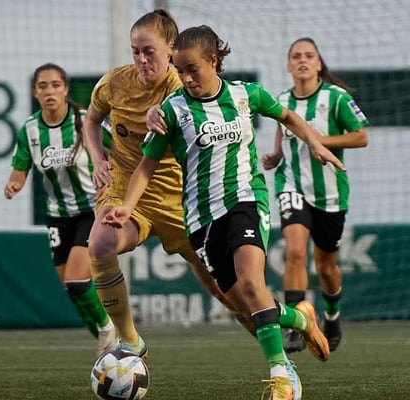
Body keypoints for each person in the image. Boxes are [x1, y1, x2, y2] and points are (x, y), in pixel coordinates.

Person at [103, 25, 344, 399]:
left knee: (252, 282)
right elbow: (146, 166)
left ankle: (282, 376)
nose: (186, 78)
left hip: (246, 201)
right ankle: (300, 317)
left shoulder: (246, 95)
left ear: (213, 60)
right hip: (201, 219)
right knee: (244, 305)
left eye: (192, 69)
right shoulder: (173, 110)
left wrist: (315, 142)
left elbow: (287, 116)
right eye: (180, 71)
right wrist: (126, 207)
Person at [83, 8, 249, 362]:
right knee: (100, 244)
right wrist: (98, 159)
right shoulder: (113, 83)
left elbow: (194, 109)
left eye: (149, 51)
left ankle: (277, 352)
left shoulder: (183, 87)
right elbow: (92, 120)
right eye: (135, 51)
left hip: (181, 201)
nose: (142, 60)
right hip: (127, 193)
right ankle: (130, 341)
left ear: (171, 50)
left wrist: (165, 111)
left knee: (225, 291)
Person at [262, 37, 369, 354]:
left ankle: (332, 317)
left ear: (319, 64)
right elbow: (283, 134)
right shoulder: (283, 100)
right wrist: (275, 156)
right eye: (296, 56)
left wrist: (321, 141)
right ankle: (296, 326)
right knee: (295, 252)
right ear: (288, 65)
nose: (302, 60)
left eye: (309, 55)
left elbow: (361, 136)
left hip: (330, 193)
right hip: (291, 185)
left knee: (326, 268)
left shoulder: (336, 98)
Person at [3, 63, 117, 357]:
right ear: (35, 92)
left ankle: (110, 329)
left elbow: (120, 150)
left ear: (66, 89)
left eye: (55, 85)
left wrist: (114, 178)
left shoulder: (86, 121)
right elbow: (19, 171)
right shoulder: (29, 130)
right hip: (57, 216)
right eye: (43, 86)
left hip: (91, 210)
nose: (49, 91)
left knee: (77, 280)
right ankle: (110, 352)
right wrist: (14, 185)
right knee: (72, 290)